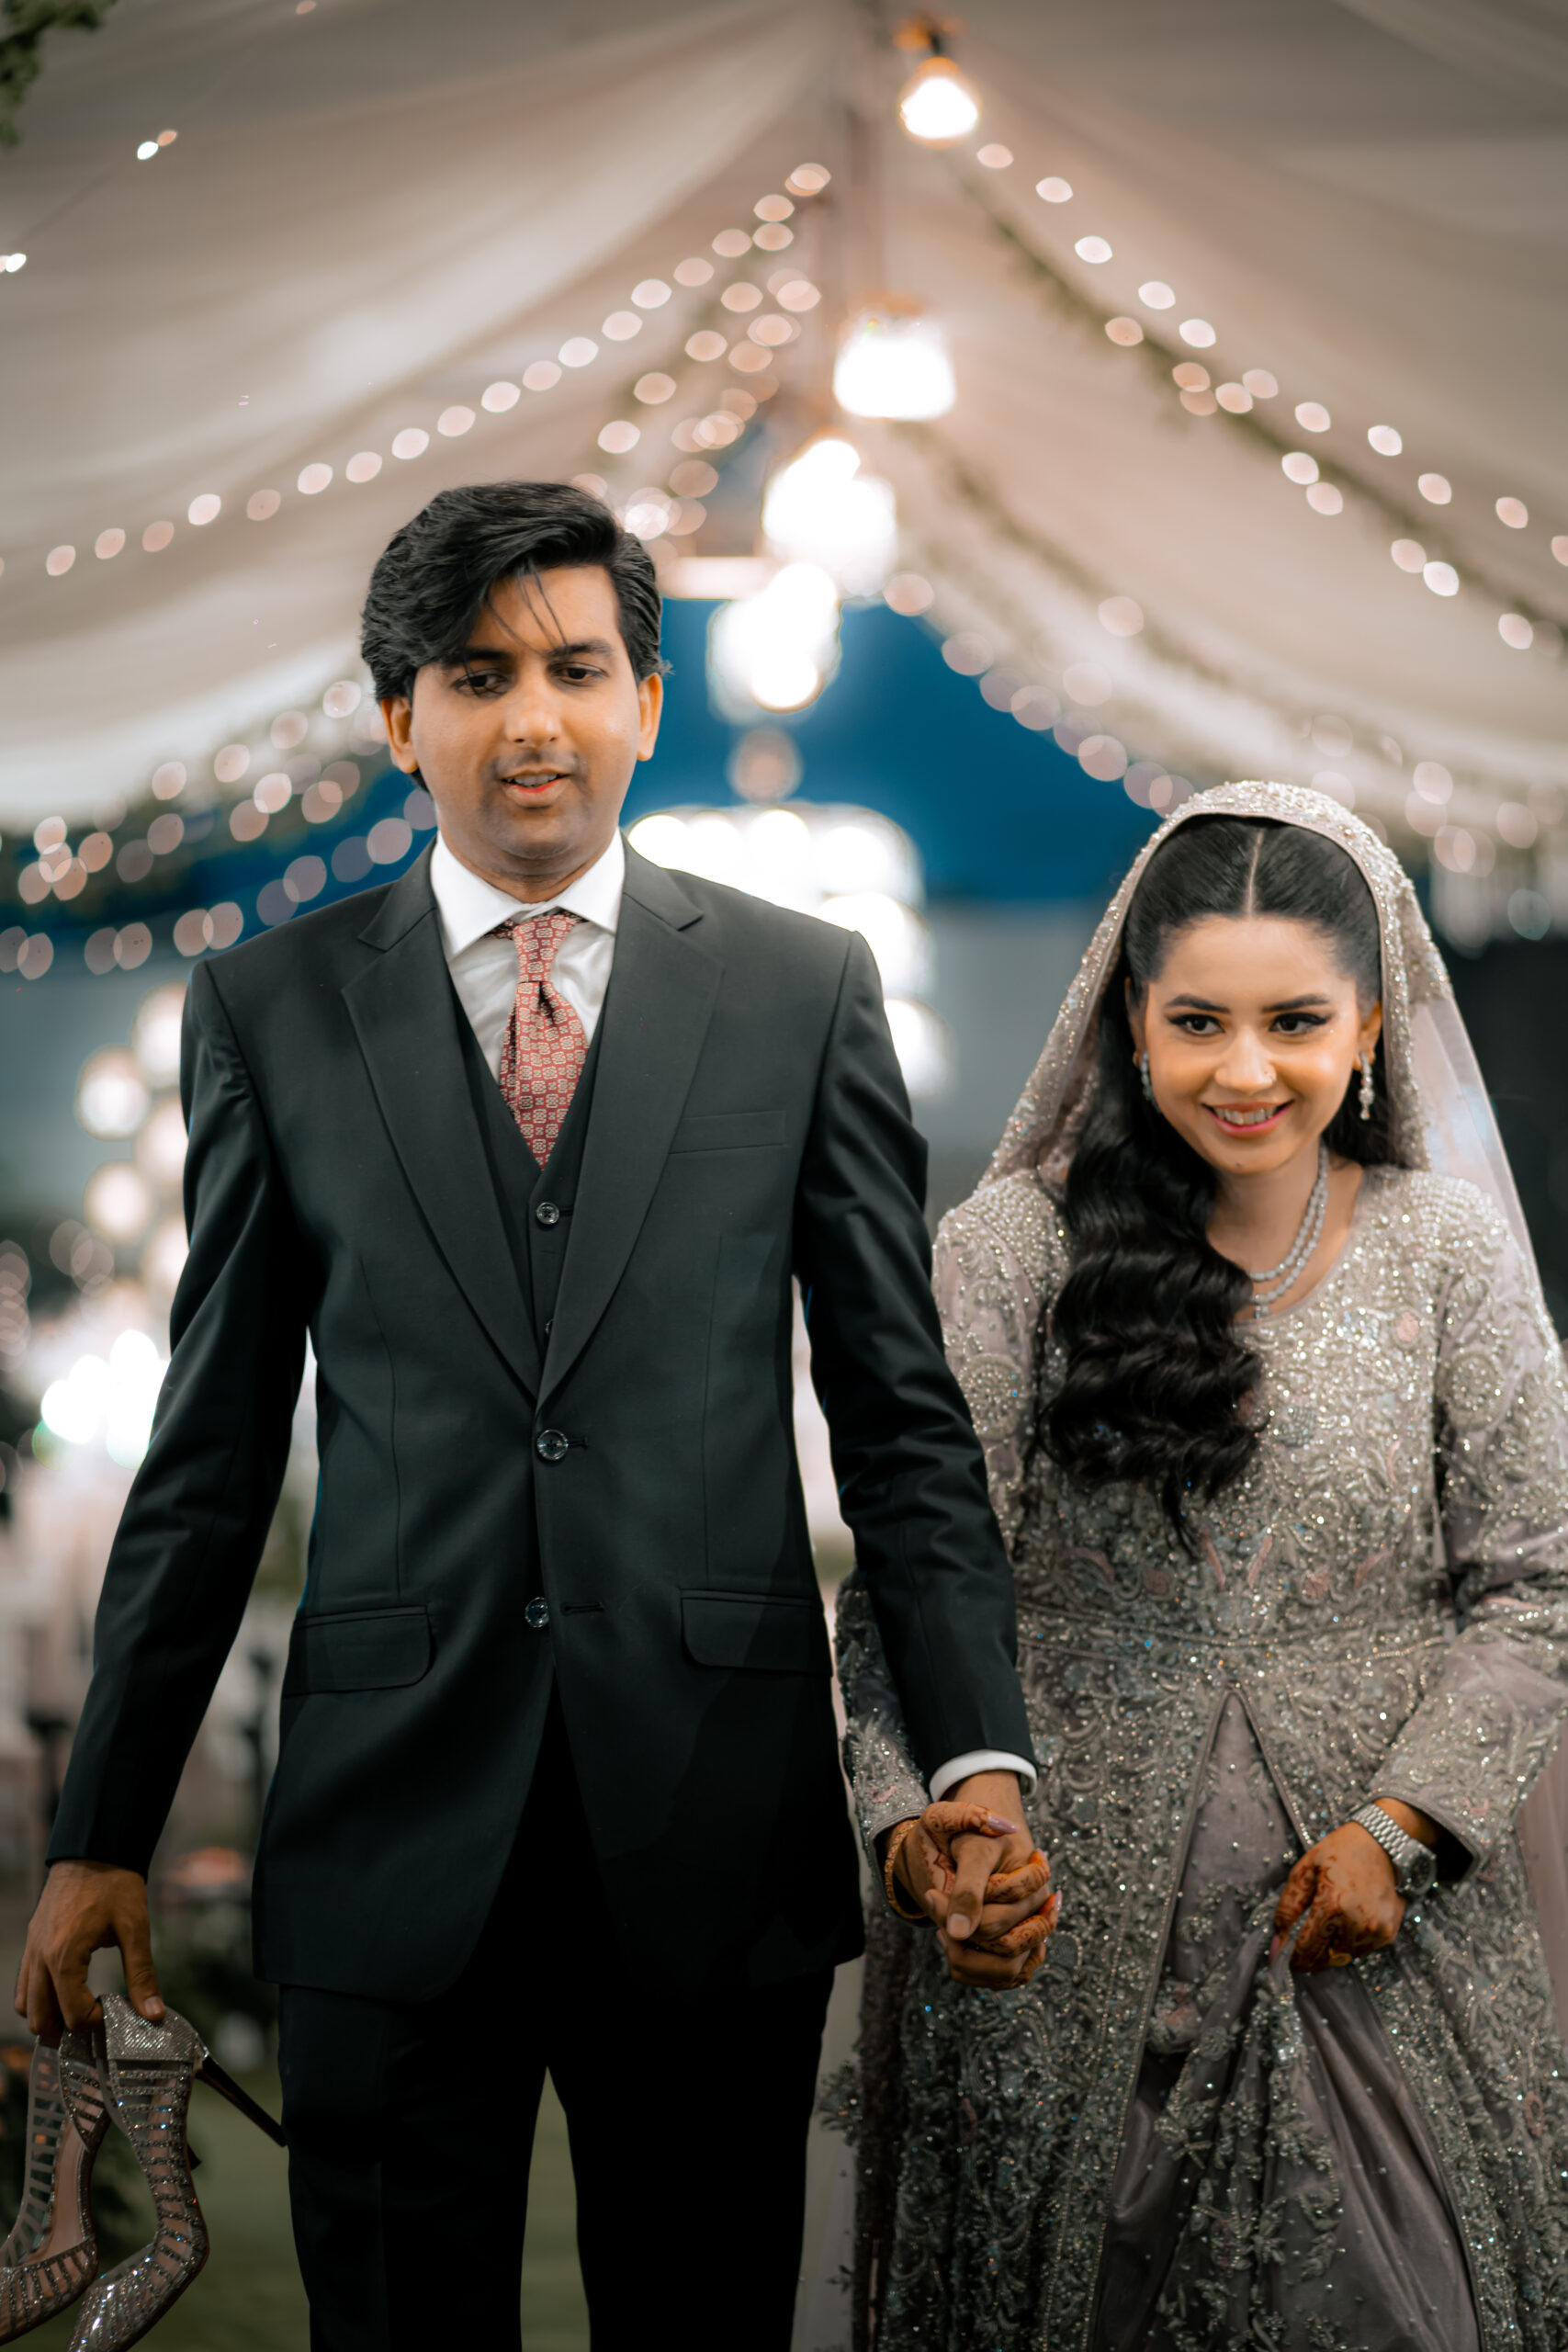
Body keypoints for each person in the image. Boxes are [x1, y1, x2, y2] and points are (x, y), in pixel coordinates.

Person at [14, 481, 1040, 2349]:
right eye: (476, 675)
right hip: (385, 1837)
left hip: (716, 1823)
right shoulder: (268, 1005)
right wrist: (103, 1832)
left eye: (574, 667)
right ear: (399, 717)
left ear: (647, 697)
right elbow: (210, 1455)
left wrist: (977, 1754)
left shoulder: (804, 991)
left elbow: (900, 1422)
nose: (532, 718)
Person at [833, 784, 1568, 2352]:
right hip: (1057, 1930)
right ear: (1131, 1024)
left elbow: (1539, 1583)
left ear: (1370, 1025)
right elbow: (912, 1580)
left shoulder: (1448, 1253)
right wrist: (926, 1838)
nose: (1246, 1070)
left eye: (1295, 1021)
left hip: (1376, 1933)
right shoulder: (1014, 1250)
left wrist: (1404, 1828)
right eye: (1198, 1023)